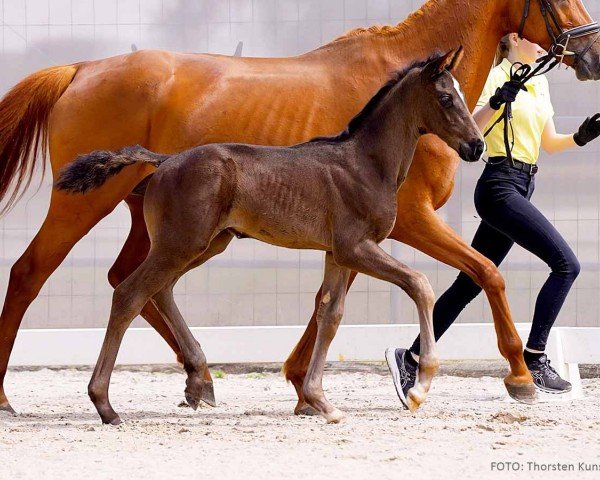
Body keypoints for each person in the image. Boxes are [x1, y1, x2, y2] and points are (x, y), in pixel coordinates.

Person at [386, 33, 600, 405]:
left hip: (525, 182)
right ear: (515, 40)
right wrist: (498, 101)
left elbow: (548, 143)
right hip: (499, 185)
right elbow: (473, 129)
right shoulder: (493, 77)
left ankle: (411, 356)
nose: (542, 46)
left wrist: (580, 137)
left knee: (469, 283)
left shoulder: (539, 81)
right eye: (535, 41)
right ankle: (534, 357)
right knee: (566, 265)